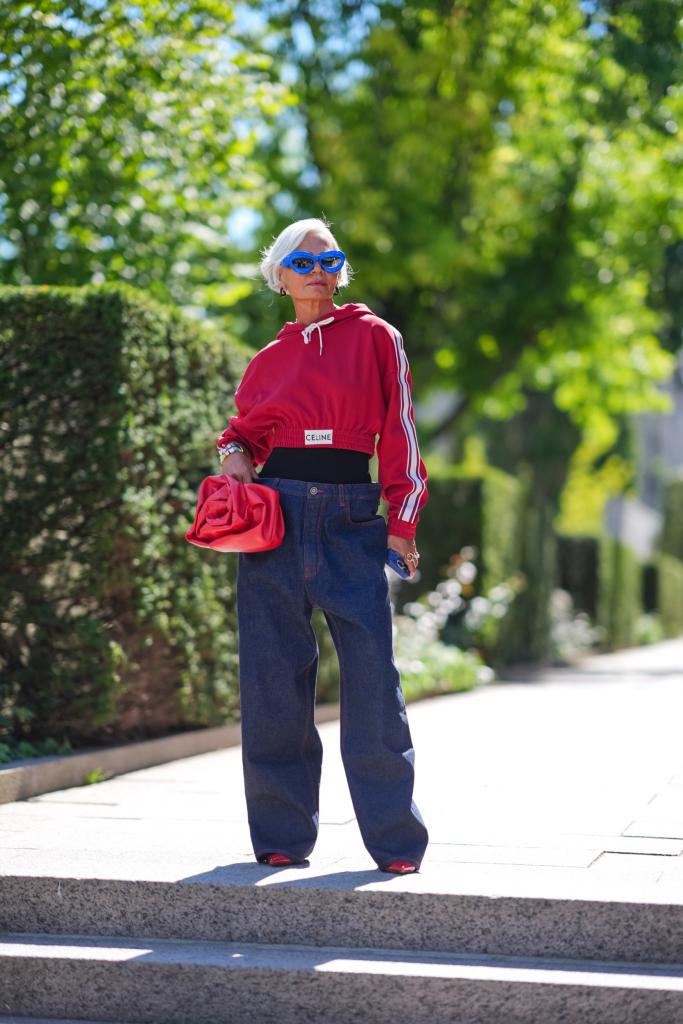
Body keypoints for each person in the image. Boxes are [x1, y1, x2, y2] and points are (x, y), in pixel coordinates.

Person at [217, 216, 429, 874]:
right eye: (303, 263)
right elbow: (241, 432)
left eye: (329, 259)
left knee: (372, 685)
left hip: (350, 520)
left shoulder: (375, 338)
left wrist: (402, 519)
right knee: (272, 682)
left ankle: (394, 844)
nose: (319, 272)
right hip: (273, 519)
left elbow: (399, 430)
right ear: (279, 276)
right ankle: (282, 837)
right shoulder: (266, 360)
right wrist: (232, 455)